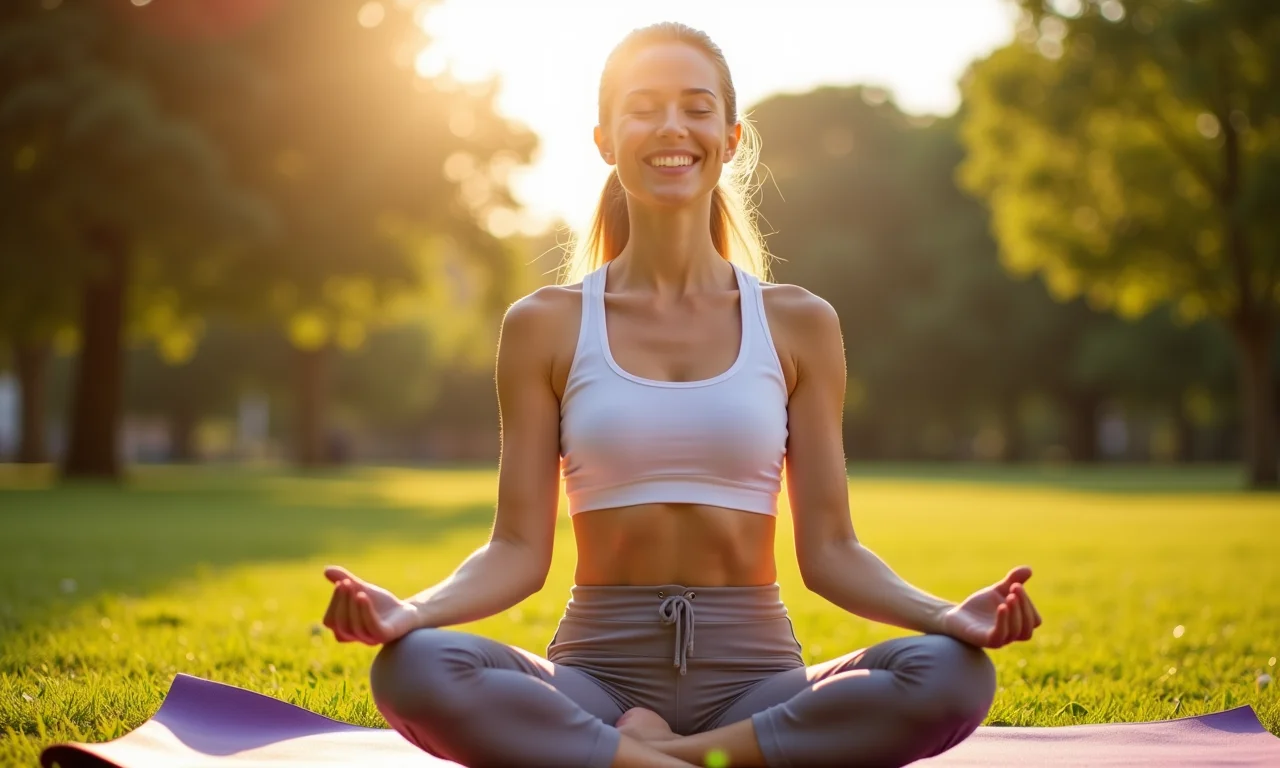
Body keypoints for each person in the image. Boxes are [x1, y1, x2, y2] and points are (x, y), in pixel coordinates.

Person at [321, 21, 1041, 768]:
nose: (672, 127)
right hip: (595, 677)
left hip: (756, 679)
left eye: (697, 108)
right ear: (604, 138)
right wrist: (411, 613)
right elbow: (515, 550)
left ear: (730, 139)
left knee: (951, 673)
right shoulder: (545, 326)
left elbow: (830, 550)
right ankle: (686, 757)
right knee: (413, 666)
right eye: (644, 108)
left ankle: (650, 759)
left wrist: (947, 616)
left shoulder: (798, 323)